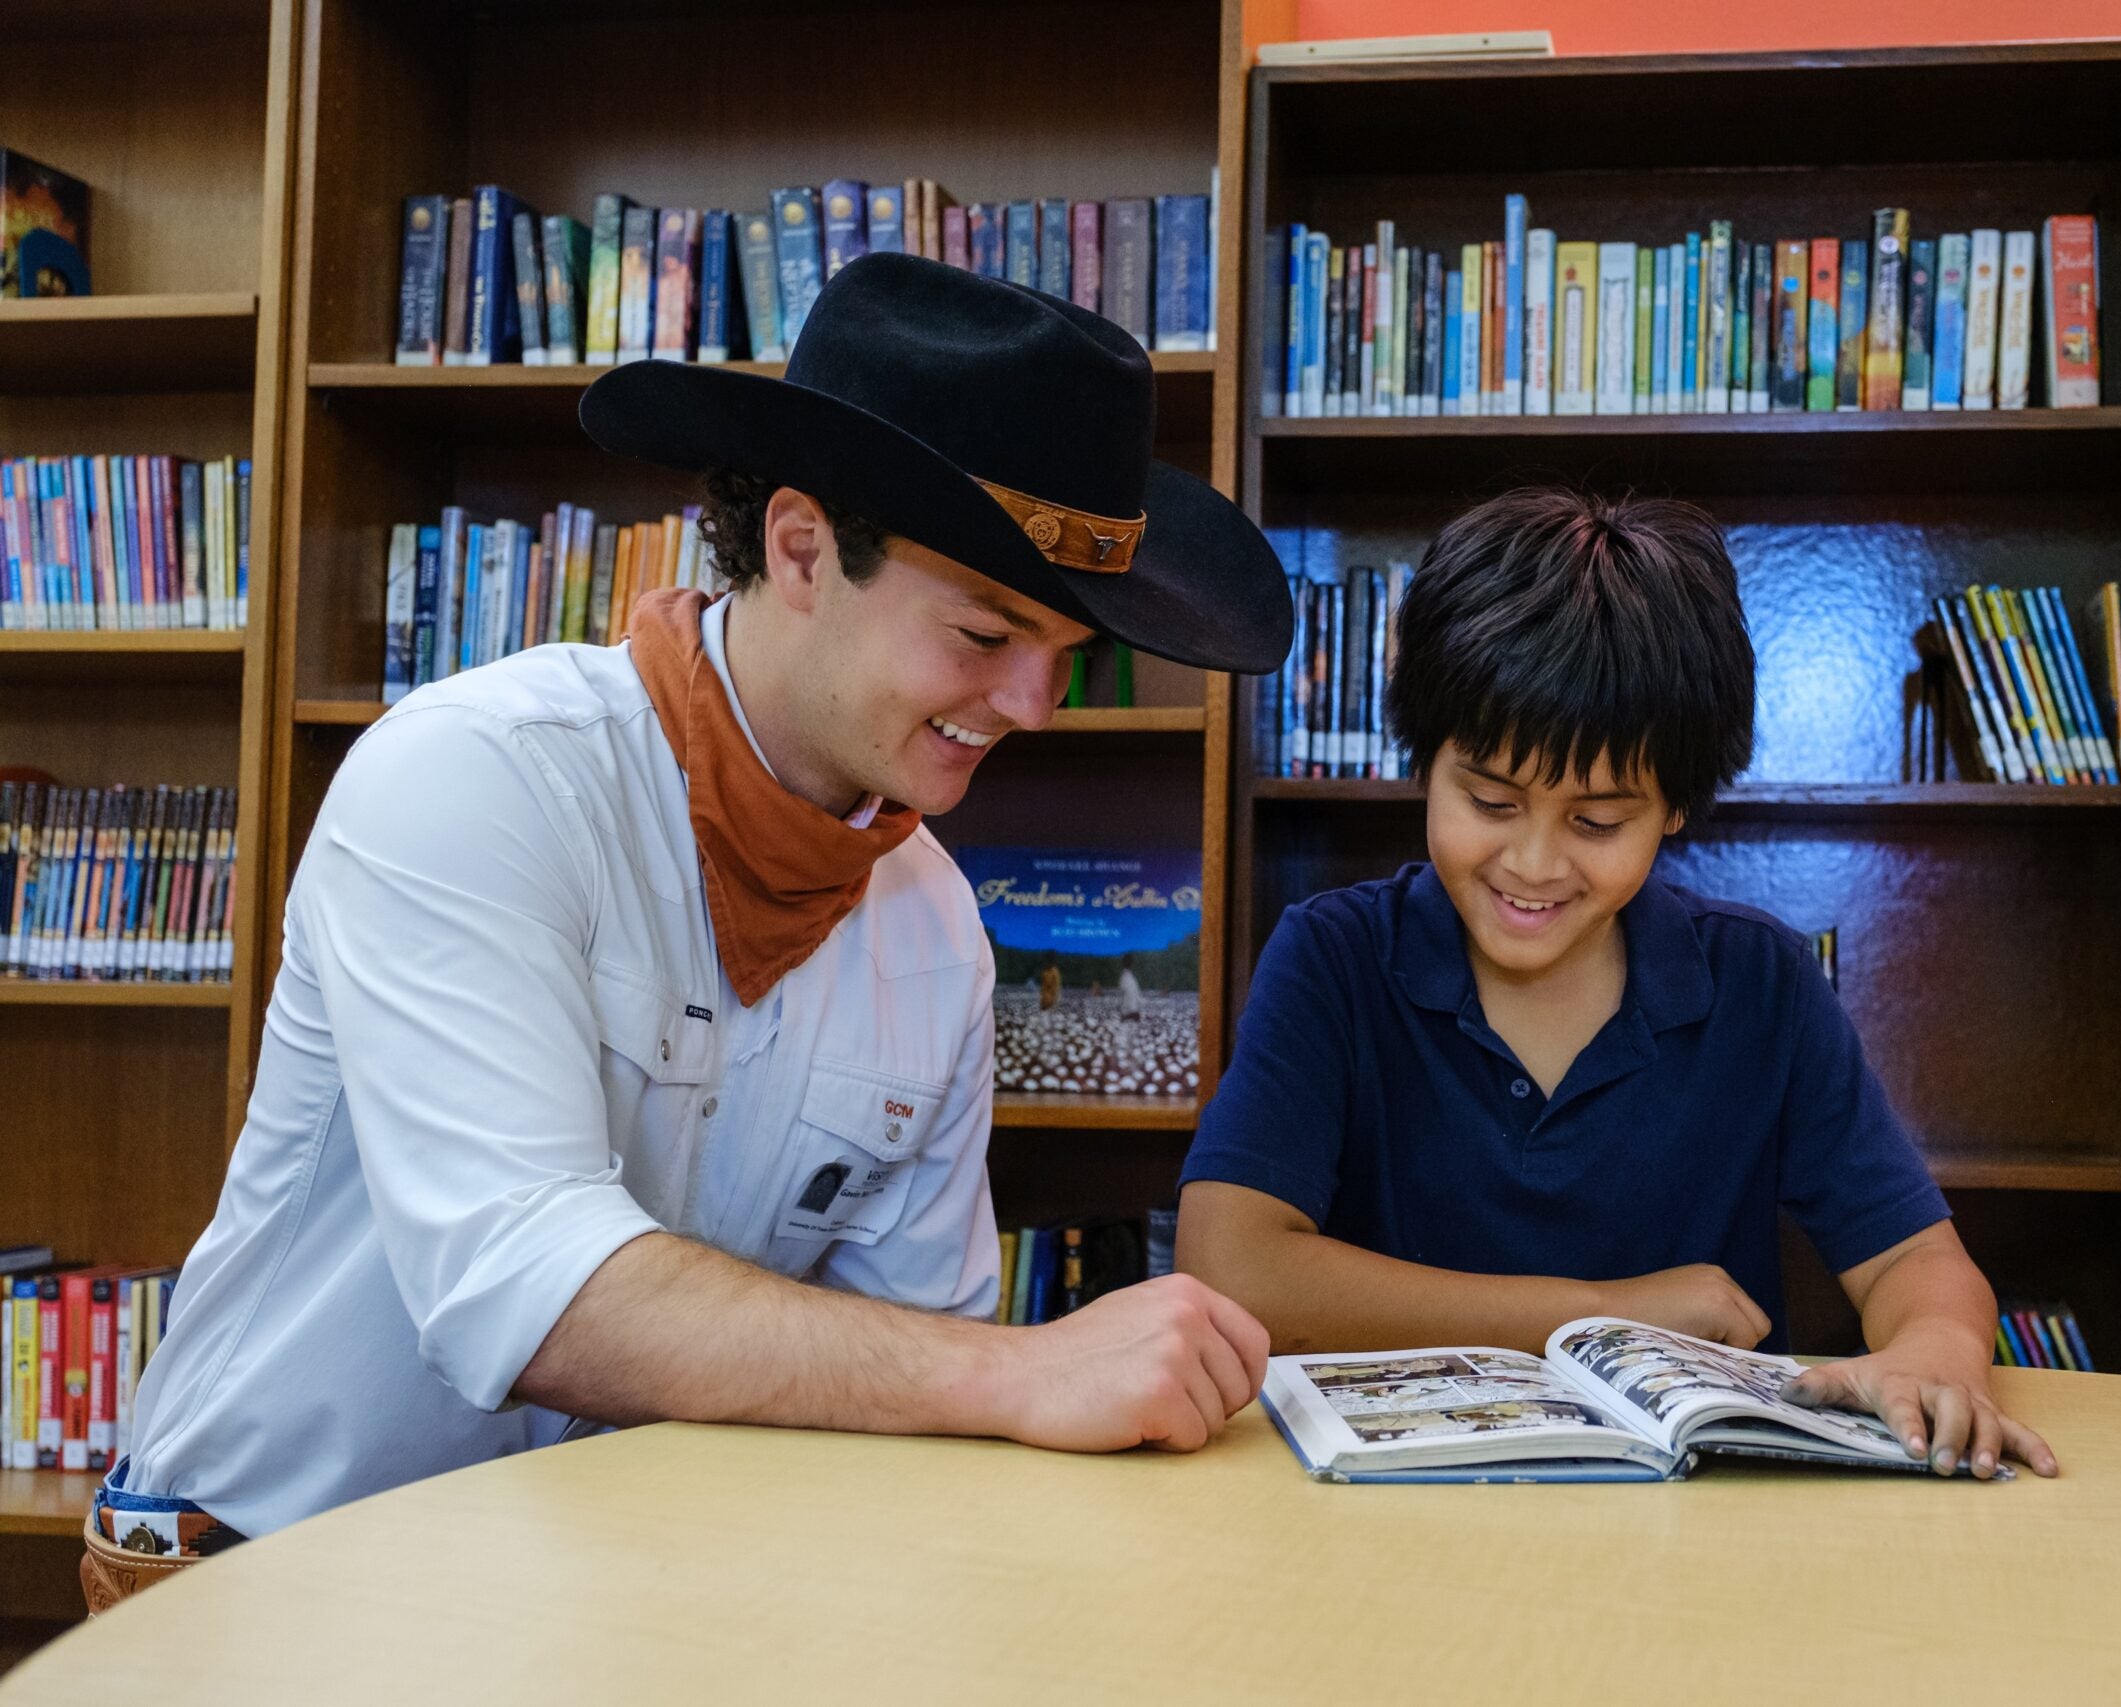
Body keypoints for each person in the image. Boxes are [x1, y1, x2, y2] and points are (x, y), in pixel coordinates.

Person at [88, 256, 1294, 1608]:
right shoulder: (477, 776)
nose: (1034, 701)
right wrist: (1024, 1369)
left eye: (1064, 650)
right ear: (798, 548)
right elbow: (524, 1282)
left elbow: (903, 1370)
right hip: (261, 1581)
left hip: (623, 1596)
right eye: (983, 630)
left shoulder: (943, 927)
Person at [1175, 487, 2058, 1482]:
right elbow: (1229, 1264)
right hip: (1394, 1518)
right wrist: (1610, 1311)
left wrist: (1931, 1356)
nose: (1533, 863)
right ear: (1424, 761)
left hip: (1687, 1529)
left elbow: (1913, 1263)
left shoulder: (1756, 983)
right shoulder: (1334, 957)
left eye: (1597, 822)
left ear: (1675, 808)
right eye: (1490, 800)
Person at [1117, 952, 1143, 1021]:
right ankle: (1130, 1014)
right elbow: (1124, 990)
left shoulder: (1126, 976)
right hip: (1131, 1009)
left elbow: (1122, 989)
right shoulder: (1127, 976)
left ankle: (1129, 1014)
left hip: (1130, 1009)